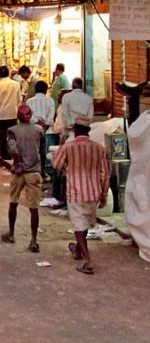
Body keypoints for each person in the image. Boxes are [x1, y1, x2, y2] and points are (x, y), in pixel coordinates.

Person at [51, 118, 109, 275]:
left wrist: (67, 164)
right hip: (93, 191)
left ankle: (88, 260)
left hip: (75, 191)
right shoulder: (99, 148)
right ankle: (77, 249)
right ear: (88, 131)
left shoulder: (68, 147)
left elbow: (56, 165)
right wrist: (104, 194)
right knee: (83, 223)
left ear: (75, 130)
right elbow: (105, 173)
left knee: (78, 225)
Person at [1, 104, 42, 252]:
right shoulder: (38, 130)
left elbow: (12, 148)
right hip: (34, 171)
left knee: (13, 202)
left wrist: (17, 162)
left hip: (19, 172)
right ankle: (33, 240)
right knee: (34, 208)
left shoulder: (12, 131)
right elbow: (41, 150)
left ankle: (11, 233)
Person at [0, 66, 22, 160]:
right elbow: (19, 100)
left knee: (3, 135)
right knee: (13, 135)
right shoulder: (16, 84)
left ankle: (4, 153)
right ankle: (14, 153)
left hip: (1, 114)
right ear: (8, 73)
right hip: (13, 113)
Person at [27, 80, 56, 173]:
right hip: (48, 131)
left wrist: (37, 122)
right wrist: (45, 125)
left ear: (35, 89)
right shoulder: (50, 100)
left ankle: (35, 170)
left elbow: (29, 116)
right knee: (46, 153)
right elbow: (51, 115)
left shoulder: (29, 101)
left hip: (33, 130)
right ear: (46, 90)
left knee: (34, 152)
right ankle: (45, 172)